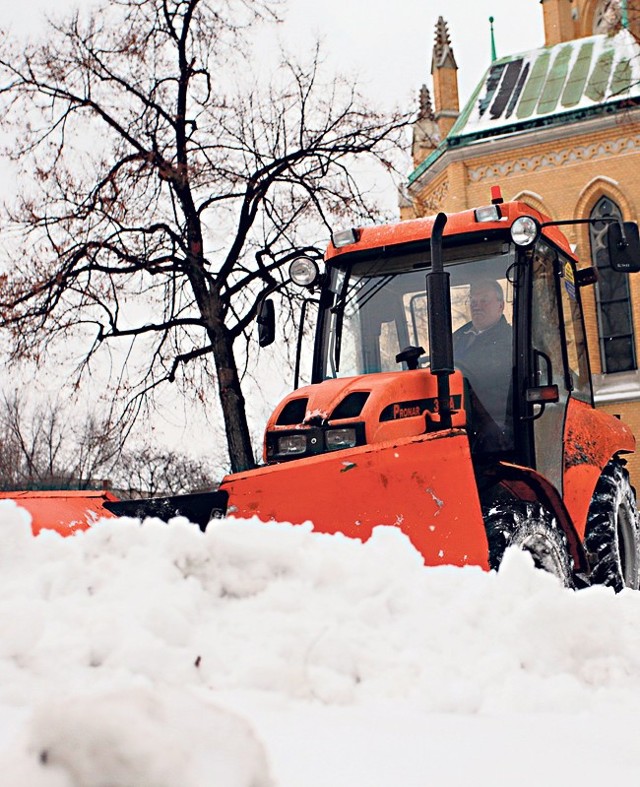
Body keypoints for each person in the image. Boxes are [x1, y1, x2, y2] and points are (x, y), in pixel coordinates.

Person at [453, 280, 513, 453]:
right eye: (473, 301)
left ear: (500, 306)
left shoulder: (509, 340)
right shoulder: (459, 338)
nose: (476, 306)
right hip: (461, 413)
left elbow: (485, 373)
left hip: (495, 419)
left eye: (484, 300)